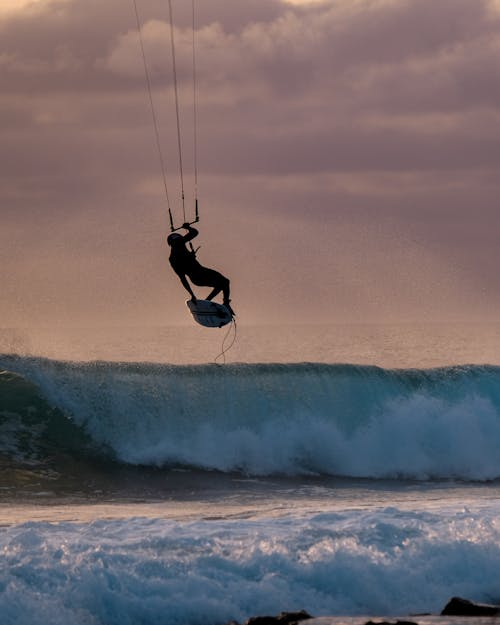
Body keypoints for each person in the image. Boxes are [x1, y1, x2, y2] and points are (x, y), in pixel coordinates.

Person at [167, 223, 234, 316]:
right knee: (222, 283)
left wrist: (188, 227)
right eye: (176, 242)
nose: (179, 243)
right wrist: (192, 294)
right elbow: (183, 279)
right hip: (197, 278)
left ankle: (222, 303)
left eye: (180, 241)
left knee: (225, 282)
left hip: (203, 271)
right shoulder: (173, 259)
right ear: (171, 244)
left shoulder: (181, 243)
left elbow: (194, 233)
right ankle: (207, 302)